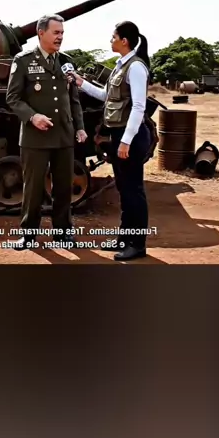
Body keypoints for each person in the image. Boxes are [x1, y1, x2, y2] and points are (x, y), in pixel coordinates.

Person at [6, 13, 87, 249]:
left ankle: (63, 233)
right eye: (56, 32)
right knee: (33, 189)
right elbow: (12, 98)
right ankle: (28, 234)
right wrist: (33, 116)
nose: (60, 37)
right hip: (35, 137)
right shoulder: (23, 61)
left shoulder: (66, 61)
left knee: (63, 188)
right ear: (41, 33)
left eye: (62, 33)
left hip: (63, 135)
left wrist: (80, 127)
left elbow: (73, 99)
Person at [72, 21, 151, 261]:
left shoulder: (135, 67)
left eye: (113, 37)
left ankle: (137, 244)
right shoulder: (121, 66)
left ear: (124, 41)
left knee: (133, 191)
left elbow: (139, 107)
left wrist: (126, 141)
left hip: (131, 136)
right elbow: (107, 96)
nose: (111, 40)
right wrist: (81, 83)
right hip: (120, 135)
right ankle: (124, 239)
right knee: (124, 189)